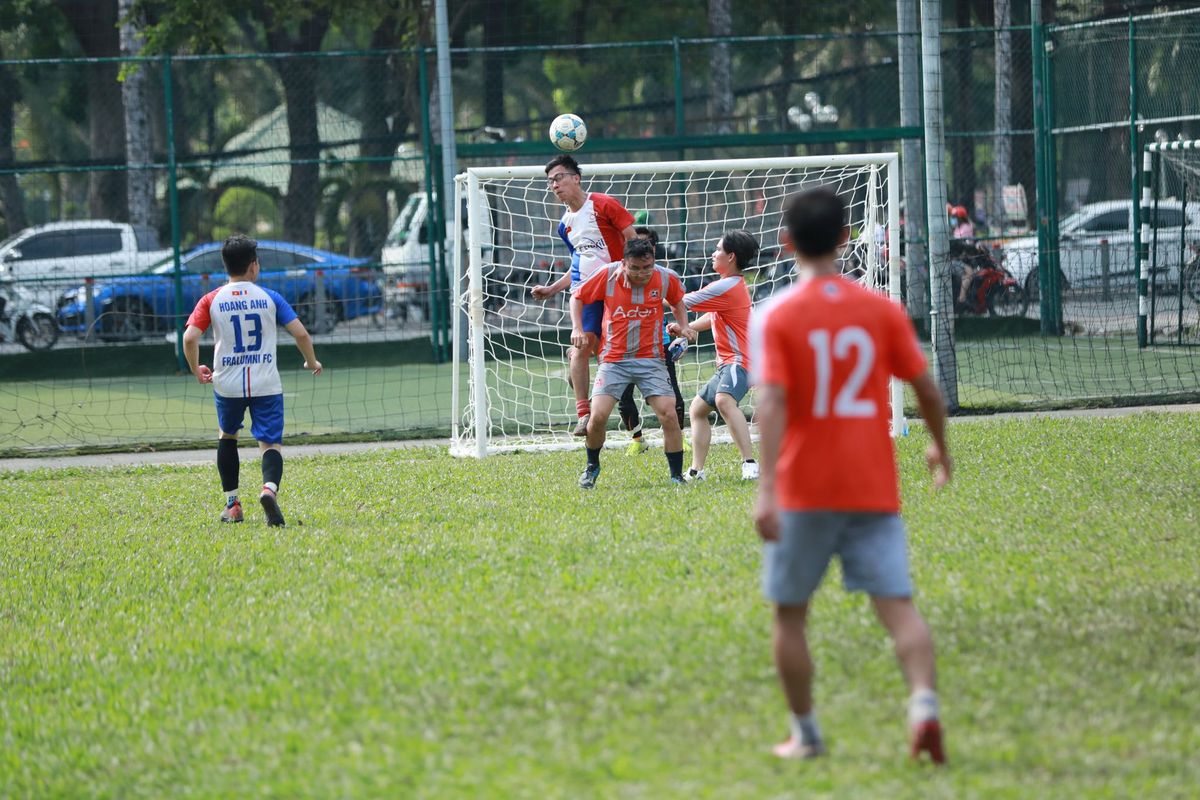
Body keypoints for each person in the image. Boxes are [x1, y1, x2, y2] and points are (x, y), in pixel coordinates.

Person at [751, 188, 953, 763]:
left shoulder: (774, 315)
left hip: (803, 489)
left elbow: (773, 402)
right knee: (899, 608)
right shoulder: (880, 310)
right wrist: (940, 449)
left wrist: (766, 488)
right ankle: (923, 705)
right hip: (871, 486)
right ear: (845, 238)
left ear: (786, 242)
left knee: (790, 614)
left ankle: (806, 734)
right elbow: (926, 389)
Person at [183, 234, 323, 527]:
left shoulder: (212, 299)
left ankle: (233, 505)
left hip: (227, 384)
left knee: (227, 436)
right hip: (265, 383)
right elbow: (301, 334)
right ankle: (268, 489)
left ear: (225, 265)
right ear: (254, 266)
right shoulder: (270, 297)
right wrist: (311, 361)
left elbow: (190, 337)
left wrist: (196, 368)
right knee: (270, 443)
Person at [571, 237, 696, 488]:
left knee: (669, 414)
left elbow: (677, 302)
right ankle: (592, 467)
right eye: (635, 268)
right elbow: (577, 296)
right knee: (598, 417)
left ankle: (676, 476)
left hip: (651, 359)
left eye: (647, 267)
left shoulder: (665, 277)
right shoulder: (607, 275)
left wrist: (684, 326)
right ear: (624, 263)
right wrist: (577, 328)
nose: (642, 273)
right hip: (614, 360)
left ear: (653, 262)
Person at [530, 154, 637, 436]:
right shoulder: (564, 224)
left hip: (617, 291)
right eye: (550, 181)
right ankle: (582, 414)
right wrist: (552, 288)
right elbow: (578, 263)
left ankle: (636, 425)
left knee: (612, 358)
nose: (554, 185)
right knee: (580, 347)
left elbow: (632, 238)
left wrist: (630, 270)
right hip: (586, 294)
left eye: (559, 178)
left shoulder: (603, 204)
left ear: (576, 178)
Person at [671, 230, 758, 482]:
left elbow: (680, 301)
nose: (713, 253)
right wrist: (686, 329)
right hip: (727, 364)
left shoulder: (727, 286)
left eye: (718, 249)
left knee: (724, 401)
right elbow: (712, 316)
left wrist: (652, 290)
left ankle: (750, 463)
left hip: (739, 361)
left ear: (731, 257)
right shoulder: (730, 286)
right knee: (698, 410)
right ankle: (696, 471)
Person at [618, 226, 686, 455]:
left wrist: (684, 331)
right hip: (623, 347)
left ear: (654, 249)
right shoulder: (618, 275)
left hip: (658, 343)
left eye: (646, 244)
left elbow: (678, 301)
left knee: (671, 394)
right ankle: (637, 439)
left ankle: (679, 437)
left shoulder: (664, 276)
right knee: (624, 397)